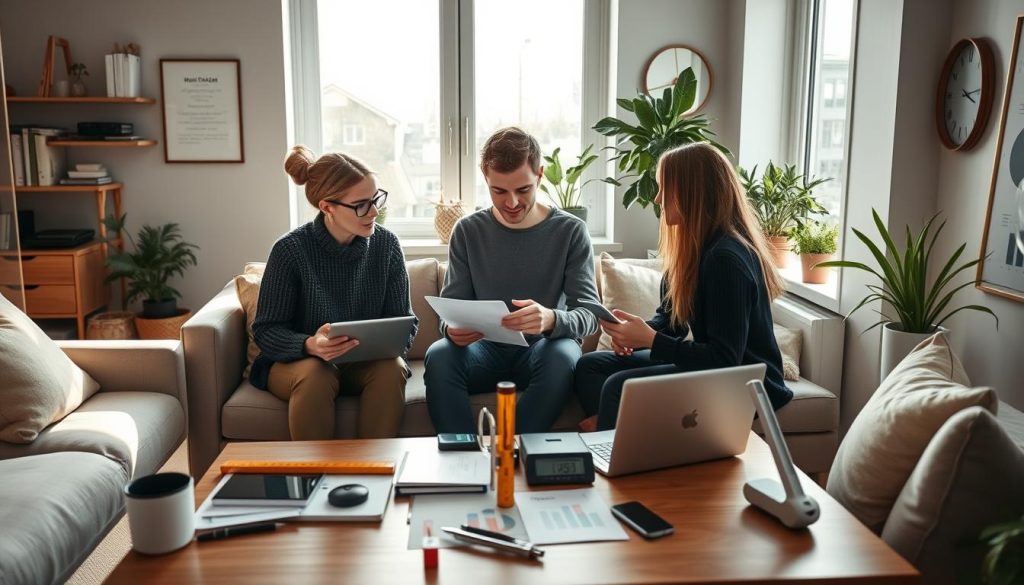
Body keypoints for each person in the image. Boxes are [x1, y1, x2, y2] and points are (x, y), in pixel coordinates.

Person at [574, 142, 793, 431]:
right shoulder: (691, 251)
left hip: (746, 381)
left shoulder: (726, 259)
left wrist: (651, 340)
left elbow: (724, 360)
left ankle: (620, 438)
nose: (657, 199)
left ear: (693, 194)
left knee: (617, 386)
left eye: (664, 188)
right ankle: (628, 430)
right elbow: (670, 323)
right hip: (719, 369)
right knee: (589, 366)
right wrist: (635, 332)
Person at [424, 127, 600, 433]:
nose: (512, 203)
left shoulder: (571, 231)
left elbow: (590, 316)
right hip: (483, 351)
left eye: (523, 189)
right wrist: (452, 330)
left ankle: (511, 452)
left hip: (544, 350)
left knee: (562, 356)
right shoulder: (467, 231)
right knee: (439, 355)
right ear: (485, 176)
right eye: (499, 191)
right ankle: (461, 457)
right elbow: (449, 312)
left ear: (540, 175)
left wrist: (550, 319)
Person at [250, 145, 416, 441]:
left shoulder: (387, 246)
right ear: (327, 207)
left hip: (361, 365)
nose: (375, 211)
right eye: (362, 204)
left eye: (376, 199)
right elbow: (266, 331)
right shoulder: (290, 250)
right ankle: (315, 479)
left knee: (392, 368)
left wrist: (389, 342)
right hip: (299, 366)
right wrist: (311, 345)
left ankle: (375, 472)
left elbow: (404, 321)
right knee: (316, 374)